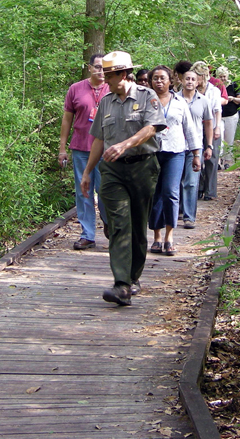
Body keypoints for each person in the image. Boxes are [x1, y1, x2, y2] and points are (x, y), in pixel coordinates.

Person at [80, 51, 166, 306]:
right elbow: (98, 138)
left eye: (109, 74)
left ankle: (133, 276)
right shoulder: (106, 101)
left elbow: (151, 128)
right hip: (112, 171)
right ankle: (121, 284)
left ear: (123, 73)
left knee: (138, 226)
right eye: (103, 74)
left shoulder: (146, 96)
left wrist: (125, 145)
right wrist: (87, 172)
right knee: (118, 224)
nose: (105, 79)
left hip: (143, 167)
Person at [147, 65, 201, 256]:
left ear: (171, 81)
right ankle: (156, 236)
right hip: (151, 153)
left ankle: (170, 235)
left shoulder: (179, 102)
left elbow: (190, 128)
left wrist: (196, 154)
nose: (159, 82)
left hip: (175, 152)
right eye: (155, 78)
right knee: (154, 194)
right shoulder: (146, 101)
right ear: (150, 81)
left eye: (162, 78)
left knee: (170, 192)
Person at [59, 53, 109, 250]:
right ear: (89, 68)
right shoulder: (76, 89)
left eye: (104, 67)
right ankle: (87, 234)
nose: (100, 71)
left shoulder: (112, 88)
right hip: (81, 148)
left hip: (106, 150)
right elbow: (66, 120)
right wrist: (62, 148)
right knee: (84, 192)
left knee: (106, 191)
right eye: (97, 66)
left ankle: (110, 224)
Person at [177, 69, 213, 229]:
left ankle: (189, 217)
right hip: (176, 146)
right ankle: (175, 211)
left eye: (193, 79)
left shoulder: (204, 101)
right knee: (176, 182)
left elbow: (208, 123)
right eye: (187, 79)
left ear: (198, 82)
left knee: (191, 182)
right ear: (181, 81)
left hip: (195, 148)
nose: (190, 82)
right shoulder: (174, 99)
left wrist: (209, 145)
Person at [191, 61, 223, 201]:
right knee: (197, 157)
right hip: (196, 128)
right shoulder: (191, 91)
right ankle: (198, 188)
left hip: (211, 126)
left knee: (211, 158)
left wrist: (217, 128)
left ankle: (210, 190)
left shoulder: (213, 90)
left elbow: (217, 110)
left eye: (197, 76)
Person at [217, 66, 240, 168]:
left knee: (229, 139)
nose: (223, 78)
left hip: (231, 115)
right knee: (219, 139)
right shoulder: (215, 86)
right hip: (219, 115)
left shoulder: (234, 85)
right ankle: (219, 161)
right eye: (221, 76)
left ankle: (227, 161)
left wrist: (232, 98)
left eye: (224, 76)